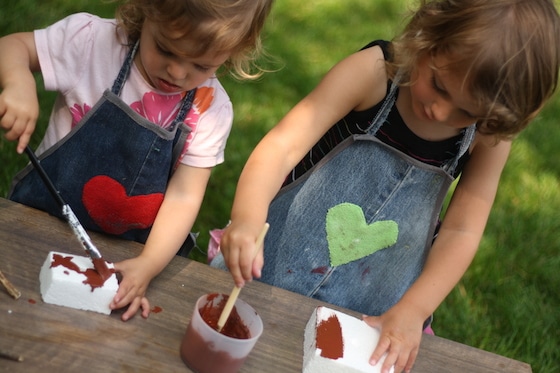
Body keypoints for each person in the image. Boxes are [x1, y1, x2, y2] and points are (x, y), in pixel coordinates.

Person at [211, 0, 560, 372]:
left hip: (374, 314)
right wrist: (247, 219)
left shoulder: (487, 135)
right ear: (426, 36)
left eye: (467, 112)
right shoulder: (375, 74)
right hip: (273, 267)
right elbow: (283, 147)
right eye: (438, 85)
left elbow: (462, 230)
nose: (441, 112)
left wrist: (413, 311)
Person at [0, 0, 273, 321]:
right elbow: (13, 46)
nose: (177, 71)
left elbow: (184, 196)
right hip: (33, 224)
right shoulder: (91, 44)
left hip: (125, 256)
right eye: (166, 49)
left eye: (201, 65)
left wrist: (149, 263)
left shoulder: (210, 110)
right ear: (144, 11)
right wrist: (18, 81)